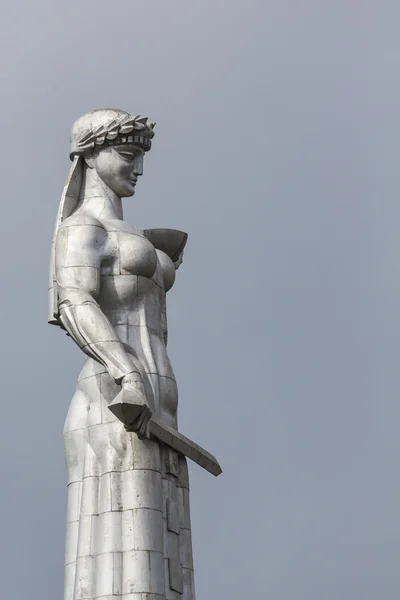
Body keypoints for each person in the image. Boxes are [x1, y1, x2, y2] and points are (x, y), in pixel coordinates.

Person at [49, 109, 195, 600]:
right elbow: (74, 301)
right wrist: (126, 371)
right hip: (116, 404)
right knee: (126, 565)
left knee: (168, 561)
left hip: (163, 408)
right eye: (127, 155)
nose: (138, 168)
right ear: (91, 155)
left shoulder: (126, 233)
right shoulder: (81, 228)